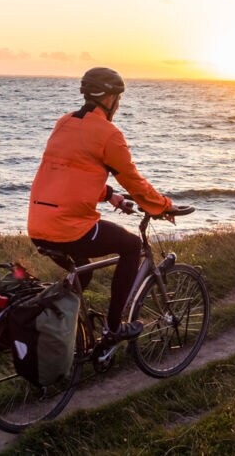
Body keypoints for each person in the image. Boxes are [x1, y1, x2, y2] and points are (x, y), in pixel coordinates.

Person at [27, 67, 179, 342]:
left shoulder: (64, 122)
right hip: (69, 228)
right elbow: (133, 181)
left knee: (81, 278)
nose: (119, 105)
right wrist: (163, 205)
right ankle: (113, 327)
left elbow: (70, 175)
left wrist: (109, 195)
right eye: (118, 98)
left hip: (38, 225)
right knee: (131, 246)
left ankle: (62, 335)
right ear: (108, 99)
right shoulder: (108, 133)